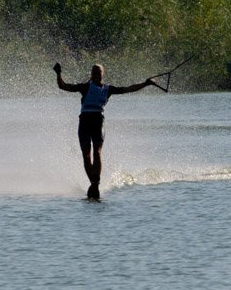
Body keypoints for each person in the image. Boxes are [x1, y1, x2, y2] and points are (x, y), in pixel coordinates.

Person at [54, 62, 160, 199]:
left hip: (98, 121)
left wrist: (145, 83)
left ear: (103, 74)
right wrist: (58, 74)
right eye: (94, 73)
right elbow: (63, 86)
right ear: (91, 75)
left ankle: (95, 183)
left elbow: (128, 89)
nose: (97, 75)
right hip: (85, 121)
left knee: (97, 152)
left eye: (99, 73)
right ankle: (93, 183)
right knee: (86, 155)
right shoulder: (85, 87)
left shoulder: (108, 89)